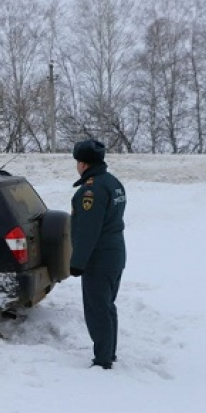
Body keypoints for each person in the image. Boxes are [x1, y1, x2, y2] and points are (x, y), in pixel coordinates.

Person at [69, 139, 127, 370]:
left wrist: (78, 262)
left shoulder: (91, 191)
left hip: (99, 257)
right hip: (115, 253)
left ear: (83, 164)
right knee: (106, 306)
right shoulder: (113, 182)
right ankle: (108, 352)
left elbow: (88, 231)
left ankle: (103, 360)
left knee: (97, 309)